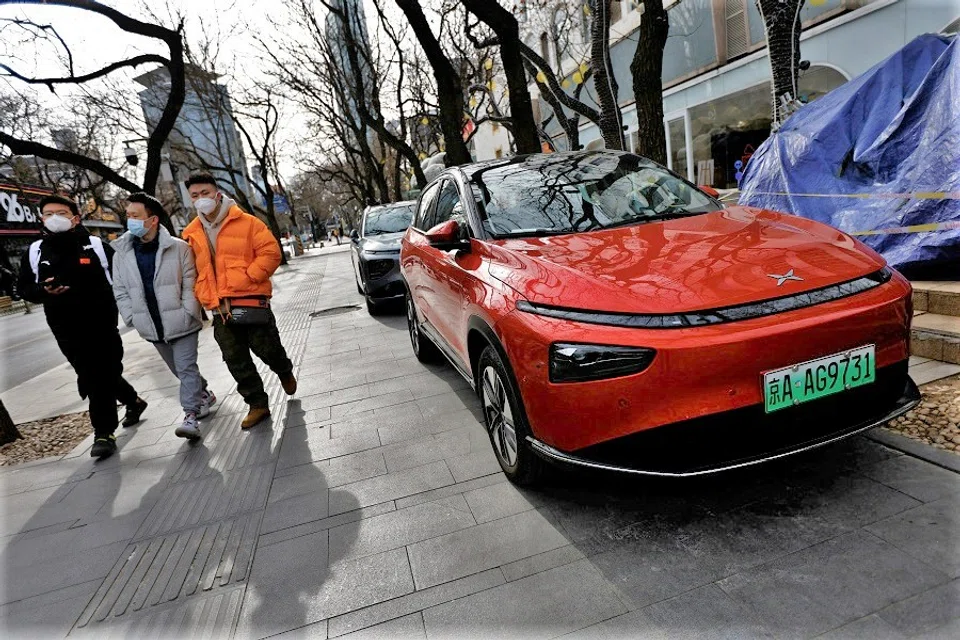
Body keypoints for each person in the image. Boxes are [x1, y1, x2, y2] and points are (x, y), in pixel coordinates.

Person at [17, 195, 147, 459]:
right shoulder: (34, 251)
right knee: (92, 373)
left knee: (99, 374)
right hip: (64, 327)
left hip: (101, 322)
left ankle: (103, 432)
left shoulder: (96, 246)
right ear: (41, 219)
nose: (55, 218)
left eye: (62, 212)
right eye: (49, 213)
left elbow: (121, 280)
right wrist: (44, 290)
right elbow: (24, 288)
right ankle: (133, 400)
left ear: (75, 218)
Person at [181, 173, 297, 429]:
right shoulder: (191, 233)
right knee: (235, 360)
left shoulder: (247, 222)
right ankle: (257, 405)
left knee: (267, 348)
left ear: (217, 193)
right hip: (219, 309)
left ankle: (283, 369)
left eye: (205, 193)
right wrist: (202, 297)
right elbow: (194, 271)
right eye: (195, 196)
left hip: (251, 301)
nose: (201, 199)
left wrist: (249, 277)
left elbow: (271, 252)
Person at [111, 193, 217, 441]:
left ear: (153, 219)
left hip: (181, 322)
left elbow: (191, 283)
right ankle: (204, 393)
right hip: (151, 326)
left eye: (136, 216)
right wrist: (132, 317)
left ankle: (190, 416)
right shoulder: (121, 253)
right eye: (128, 216)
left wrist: (188, 311)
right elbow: (120, 290)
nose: (130, 221)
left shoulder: (178, 248)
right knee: (179, 370)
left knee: (185, 367)